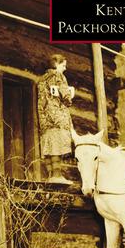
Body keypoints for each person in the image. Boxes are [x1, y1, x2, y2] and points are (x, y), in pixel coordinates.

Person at [37, 54, 74, 184]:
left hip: (45, 120)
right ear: (56, 64)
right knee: (57, 146)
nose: (65, 68)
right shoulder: (58, 76)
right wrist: (69, 97)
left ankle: (50, 176)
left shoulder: (42, 80)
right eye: (63, 65)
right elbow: (65, 95)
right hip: (57, 117)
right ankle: (57, 176)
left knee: (49, 147)